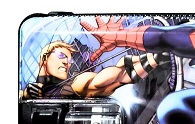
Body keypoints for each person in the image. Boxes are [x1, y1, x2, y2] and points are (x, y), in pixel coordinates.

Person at [22, 40, 172, 99]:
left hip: (74, 90)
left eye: (69, 59)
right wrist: (27, 94)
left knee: (97, 83)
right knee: (113, 82)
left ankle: (157, 58)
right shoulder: (36, 87)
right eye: (61, 55)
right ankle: (155, 58)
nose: (66, 62)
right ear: (45, 58)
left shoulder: (71, 82)